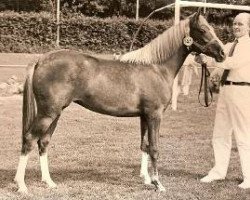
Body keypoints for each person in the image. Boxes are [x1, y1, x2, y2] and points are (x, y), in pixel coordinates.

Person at [200, 12, 250, 189]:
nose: (236, 27)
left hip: (242, 91)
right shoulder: (229, 45)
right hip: (226, 90)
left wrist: (215, 60)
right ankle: (218, 172)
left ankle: (249, 177)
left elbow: (231, 63)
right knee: (220, 133)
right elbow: (220, 58)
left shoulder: (248, 46)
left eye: (240, 24)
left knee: (243, 135)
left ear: (249, 27)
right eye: (235, 24)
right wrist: (203, 58)